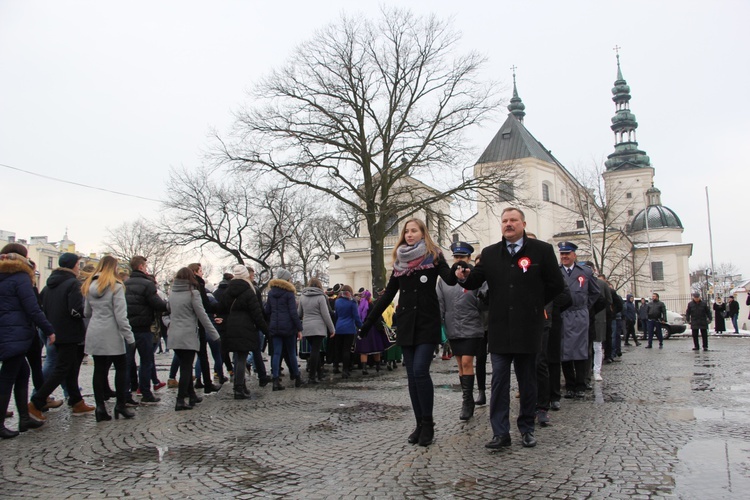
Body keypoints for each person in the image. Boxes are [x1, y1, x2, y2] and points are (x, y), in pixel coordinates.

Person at [454, 208, 564, 449]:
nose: (508, 224)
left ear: (523, 223)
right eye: (504, 221)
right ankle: (500, 433)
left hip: (528, 327)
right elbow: (475, 280)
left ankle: (527, 428)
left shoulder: (542, 251)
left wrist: (536, 302)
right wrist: (463, 274)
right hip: (500, 328)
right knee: (500, 382)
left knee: (527, 381)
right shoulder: (491, 253)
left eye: (513, 220)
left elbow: (556, 284)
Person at [360, 218, 460, 447]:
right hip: (406, 323)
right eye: (407, 232)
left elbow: (450, 279)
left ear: (423, 233)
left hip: (427, 321)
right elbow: (387, 295)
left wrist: (458, 266)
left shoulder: (433, 256)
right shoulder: (399, 263)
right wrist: (368, 322)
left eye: (414, 231)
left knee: (420, 371)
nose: (409, 234)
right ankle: (419, 424)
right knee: (412, 377)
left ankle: (429, 424)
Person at [31, 253, 95, 419]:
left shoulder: (49, 284)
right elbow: (75, 309)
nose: (78, 267)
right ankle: (37, 401)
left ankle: (77, 401)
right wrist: (85, 314)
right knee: (62, 369)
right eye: (77, 264)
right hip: (70, 332)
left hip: (54, 331)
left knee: (70, 369)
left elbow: (41, 306)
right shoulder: (72, 283)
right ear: (73, 265)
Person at [0, 245, 54, 438]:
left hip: (6, 332)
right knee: (7, 377)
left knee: (22, 372)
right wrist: (48, 330)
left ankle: (24, 417)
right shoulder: (20, 277)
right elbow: (32, 308)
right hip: (16, 332)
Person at [80, 256, 136, 421]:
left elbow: (87, 313)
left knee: (99, 370)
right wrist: (129, 337)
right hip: (111, 332)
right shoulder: (116, 287)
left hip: (95, 331)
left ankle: (100, 408)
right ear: (114, 267)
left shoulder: (89, 285)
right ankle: (120, 405)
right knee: (121, 368)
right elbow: (121, 316)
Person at [437, 241, 484, 421]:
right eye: (456, 257)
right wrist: (439, 326)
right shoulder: (445, 279)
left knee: (466, 362)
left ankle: (467, 400)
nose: (459, 260)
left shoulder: (475, 276)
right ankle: (468, 397)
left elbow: (483, 301)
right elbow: (440, 302)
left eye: (462, 257)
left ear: (469, 258)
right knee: (460, 363)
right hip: (453, 326)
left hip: (472, 326)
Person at [168, 268, 221, 410]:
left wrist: (169, 324)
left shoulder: (172, 293)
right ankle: (180, 399)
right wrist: (214, 334)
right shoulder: (193, 293)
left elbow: (167, 311)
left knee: (184, 364)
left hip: (174, 334)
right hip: (188, 334)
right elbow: (202, 315)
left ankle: (192, 395)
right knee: (186, 367)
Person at [219, 265, 269, 399]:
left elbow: (221, 306)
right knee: (241, 358)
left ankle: (240, 385)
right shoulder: (248, 291)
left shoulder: (228, 290)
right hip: (245, 327)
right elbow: (257, 313)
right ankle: (239, 388)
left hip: (231, 326)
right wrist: (266, 330)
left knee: (237, 358)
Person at [124, 256, 167, 405]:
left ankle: (127, 392)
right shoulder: (147, 284)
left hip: (127, 327)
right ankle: (145, 392)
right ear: (141, 267)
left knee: (127, 362)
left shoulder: (124, 284)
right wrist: (167, 306)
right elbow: (157, 304)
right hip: (143, 327)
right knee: (146, 360)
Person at [559, 244, 601, 396]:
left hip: (580, 316)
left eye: (567, 254)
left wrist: (584, 306)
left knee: (581, 350)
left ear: (574, 255)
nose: (564, 256)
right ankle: (570, 386)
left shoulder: (585, 272)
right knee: (565, 351)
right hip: (564, 315)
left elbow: (595, 292)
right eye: (562, 254)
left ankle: (581, 385)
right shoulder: (557, 272)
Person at [264, 267, 304, 391]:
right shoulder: (289, 293)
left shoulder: (271, 293)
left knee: (276, 353)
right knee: (291, 352)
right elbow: (293, 313)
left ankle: (275, 380)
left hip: (275, 327)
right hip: (288, 327)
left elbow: (268, 311)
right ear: (287, 279)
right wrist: (299, 328)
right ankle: (297, 377)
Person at [187, 263, 222, 394]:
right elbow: (203, 307)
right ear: (195, 272)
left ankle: (198, 382)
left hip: (187, 326)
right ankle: (206, 383)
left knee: (192, 358)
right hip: (198, 324)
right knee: (202, 355)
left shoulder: (183, 287)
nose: (202, 273)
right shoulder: (198, 285)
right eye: (200, 270)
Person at [298, 277, 335, 384]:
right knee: (315, 351)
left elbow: (299, 314)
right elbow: (326, 314)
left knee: (315, 351)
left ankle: (319, 373)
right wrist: (332, 329)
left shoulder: (303, 297)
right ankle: (312, 376)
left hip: (307, 328)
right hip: (318, 328)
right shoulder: (321, 297)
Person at [354, 289, 390, 375]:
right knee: (376, 349)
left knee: (364, 350)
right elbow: (377, 317)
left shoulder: (359, 306)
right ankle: (377, 366)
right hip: (372, 329)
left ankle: (364, 368)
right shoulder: (372, 305)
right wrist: (381, 327)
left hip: (363, 329)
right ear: (369, 297)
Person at [333, 285, 361, 379]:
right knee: (346, 350)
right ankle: (345, 370)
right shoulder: (352, 302)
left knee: (338, 349)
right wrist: (361, 326)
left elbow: (336, 315)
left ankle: (335, 366)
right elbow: (356, 317)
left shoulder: (337, 301)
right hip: (349, 328)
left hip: (339, 327)